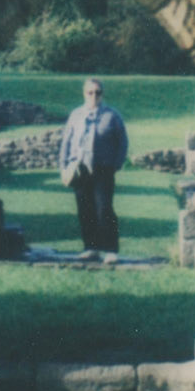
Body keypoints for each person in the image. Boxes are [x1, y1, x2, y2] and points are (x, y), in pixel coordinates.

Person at [57, 77, 128, 262]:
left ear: (102, 94)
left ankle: (111, 250)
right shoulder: (76, 115)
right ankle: (91, 247)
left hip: (103, 169)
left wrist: (116, 164)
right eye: (90, 92)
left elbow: (123, 142)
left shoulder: (112, 116)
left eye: (98, 92)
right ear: (84, 94)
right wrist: (63, 166)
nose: (94, 96)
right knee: (84, 209)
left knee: (104, 209)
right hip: (79, 169)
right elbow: (66, 141)